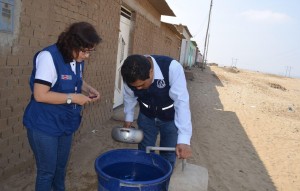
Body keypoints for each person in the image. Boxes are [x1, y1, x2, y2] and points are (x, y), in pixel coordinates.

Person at [23, 22, 101, 191]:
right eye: (85, 50)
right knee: (47, 172)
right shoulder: (48, 57)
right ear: (72, 43)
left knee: (60, 169)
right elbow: (40, 94)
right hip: (44, 125)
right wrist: (72, 98)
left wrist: (88, 89)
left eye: (90, 51)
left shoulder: (77, 58)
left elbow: (74, 79)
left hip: (65, 123)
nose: (87, 56)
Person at [121, 54, 192, 168]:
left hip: (170, 118)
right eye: (135, 86)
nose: (138, 89)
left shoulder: (172, 68)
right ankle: (146, 179)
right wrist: (128, 118)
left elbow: (181, 103)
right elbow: (129, 97)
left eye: (142, 84)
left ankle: (163, 183)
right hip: (146, 116)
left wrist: (184, 139)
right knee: (145, 152)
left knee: (168, 155)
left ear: (151, 71)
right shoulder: (129, 74)